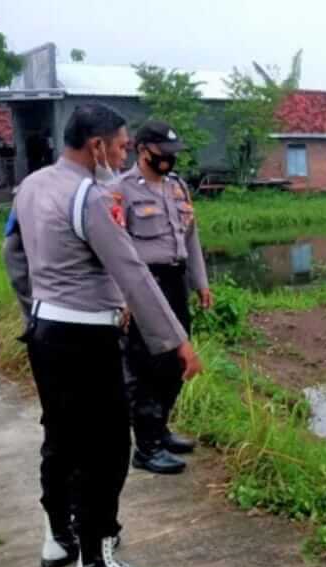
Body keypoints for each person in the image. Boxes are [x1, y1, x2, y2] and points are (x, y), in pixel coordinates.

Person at [5, 102, 203, 567]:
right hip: (86, 339)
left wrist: (37, 306)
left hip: (46, 331)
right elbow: (132, 270)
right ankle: (97, 565)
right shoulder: (90, 197)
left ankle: (59, 537)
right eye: (117, 146)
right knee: (107, 448)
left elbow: (13, 253)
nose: (121, 154)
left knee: (61, 435)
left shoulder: (32, 186)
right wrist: (177, 340)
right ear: (95, 146)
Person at [117, 120, 213, 475]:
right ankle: (146, 448)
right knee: (146, 367)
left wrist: (200, 282)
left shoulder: (177, 188)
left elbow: (190, 239)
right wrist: (121, 297)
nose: (170, 161)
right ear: (143, 151)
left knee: (176, 362)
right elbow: (114, 249)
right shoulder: (120, 190)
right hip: (143, 286)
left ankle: (160, 429)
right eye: (163, 154)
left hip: (174, 282)